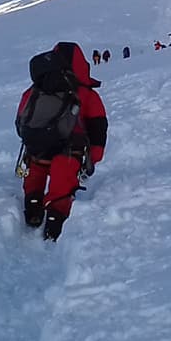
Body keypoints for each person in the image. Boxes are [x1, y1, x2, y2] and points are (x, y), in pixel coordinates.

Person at [16, 42, 109, 240]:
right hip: (68, 152)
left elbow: (20, 121)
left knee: (36, 171)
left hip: (36, 148)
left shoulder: (36, 89)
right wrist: (92, 159)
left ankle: (33, 205)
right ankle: (55, 219)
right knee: (63, 178)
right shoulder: (87, 94)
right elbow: (98, 129)